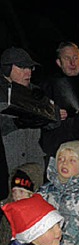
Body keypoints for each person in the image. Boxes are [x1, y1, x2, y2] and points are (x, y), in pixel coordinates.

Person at [0, 47, 53, 176]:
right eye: (22, 68)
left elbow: (54, 124)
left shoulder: (35, 92)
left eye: (30, 68)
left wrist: (51, 115)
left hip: (32, 165)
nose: (28, 72)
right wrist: (16, 123)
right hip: (7, 164)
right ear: (7, 69)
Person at [0, 163, 44, 245]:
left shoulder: (40, 216)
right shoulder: (8, 213)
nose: (17, 196)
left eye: (21, 192)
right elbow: (3, 241)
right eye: (14, 192)